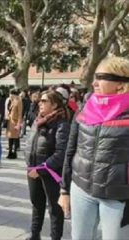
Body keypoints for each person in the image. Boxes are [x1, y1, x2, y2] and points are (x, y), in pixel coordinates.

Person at [59, 56, 129, 240]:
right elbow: (71, 148)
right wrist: (64, 189)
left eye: (102, 77)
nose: (94, 82)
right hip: (80, 189)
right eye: (95, 76)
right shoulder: (86, 104)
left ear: (121, 85)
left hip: (117, 197)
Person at [24, 90, 70, 240]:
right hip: (33, 170)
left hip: (50, 172)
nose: (40, 103)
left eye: (45, 101)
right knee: (36, 204)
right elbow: (30, 144)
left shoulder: (62, 124)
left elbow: (61, 152)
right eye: (40, 101)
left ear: (55, 104)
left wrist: (42, 168)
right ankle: (34, 234)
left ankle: (55, 237)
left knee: (55, 209)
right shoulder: (38, 120)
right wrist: (29, 164)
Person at [5, 88, 23, 159]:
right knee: (10, 138)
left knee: (15, 138)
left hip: (15, 122)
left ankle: (14, 153)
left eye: (11, 94)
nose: (10, 95)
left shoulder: (19, 101)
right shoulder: (12, 101)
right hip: (10, 121)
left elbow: (20, 113)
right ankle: (10, 152)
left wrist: (19, 124)